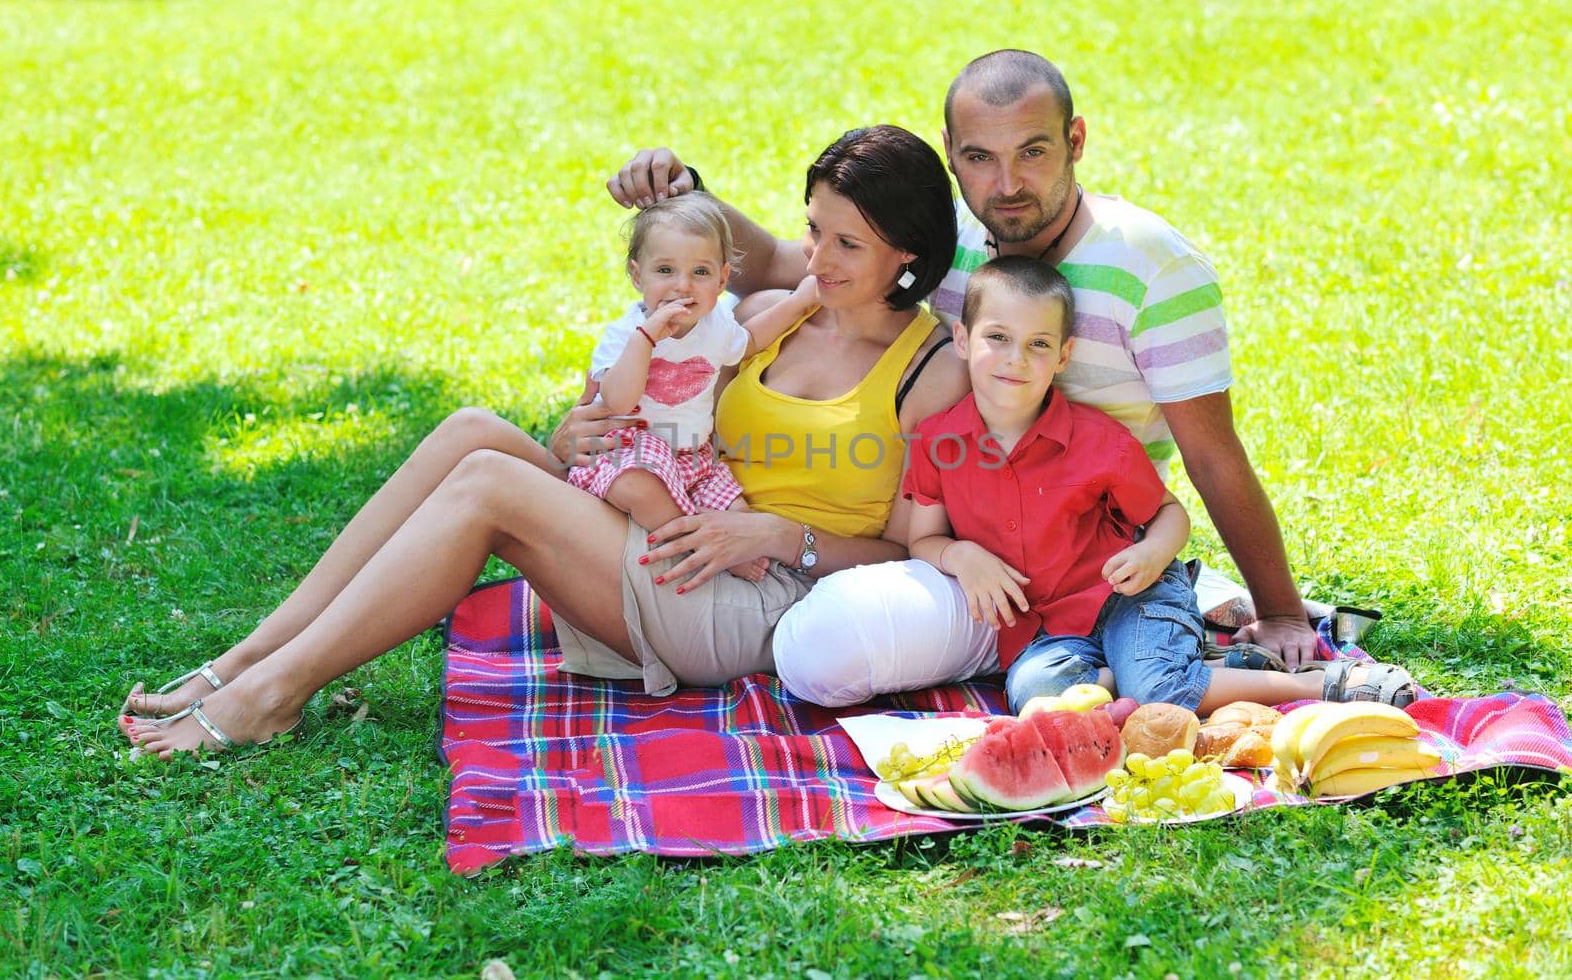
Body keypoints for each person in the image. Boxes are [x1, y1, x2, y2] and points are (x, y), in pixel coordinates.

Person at [118, 125, 969, 755]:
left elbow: (910, 547)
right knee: (472, 433)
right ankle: (243, 660)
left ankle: (275, 693)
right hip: (672, 519)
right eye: (813, 229)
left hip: (755, 593)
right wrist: (581, 433)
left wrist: (781, 533)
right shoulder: (765, 318)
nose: (814, 258)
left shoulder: (927, 369)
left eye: (846, 243)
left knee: (492, 484)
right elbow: (665, 418)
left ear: (909, 255)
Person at [598, 49, 1317, 672]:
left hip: (1079, 544)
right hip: (954, 543)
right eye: (979, 158)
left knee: (826, 645)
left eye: (1032, 152)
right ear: (951, 154)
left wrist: (1283, 613)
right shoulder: (955, 249)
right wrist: (690, 196)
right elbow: (798, 264)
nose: (1006, 184)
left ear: (1076, 141)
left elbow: (1213, 456)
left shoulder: (1155, 266)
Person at [897, 255, 1412, 715]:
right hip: (1043, 627)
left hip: (1131, 594)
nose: (1016, 359)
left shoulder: (1098, 440)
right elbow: (923, 538)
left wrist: (1152, 555)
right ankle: (1207, 666)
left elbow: (1170, 514)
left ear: (1063, 355)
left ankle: (1327, 683)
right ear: (963, 340)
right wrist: (962, 556)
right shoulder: (939, 441)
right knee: (1033, 695)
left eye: (1038, 344)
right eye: (997, 338)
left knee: (1159, 693)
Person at [566, 192, 819, 581]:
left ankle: (712, 534)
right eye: (665, 270)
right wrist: (646, 340)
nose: (683, 286)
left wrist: (800, 303)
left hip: (692, 457)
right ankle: (697, 542)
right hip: (630, 451)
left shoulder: (715, 325)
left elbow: (748, 342)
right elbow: (617, 399)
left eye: (700, 273)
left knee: (737, 509)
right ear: (638, 276)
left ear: (721, 279)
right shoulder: (626, 335)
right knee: (639, 489)